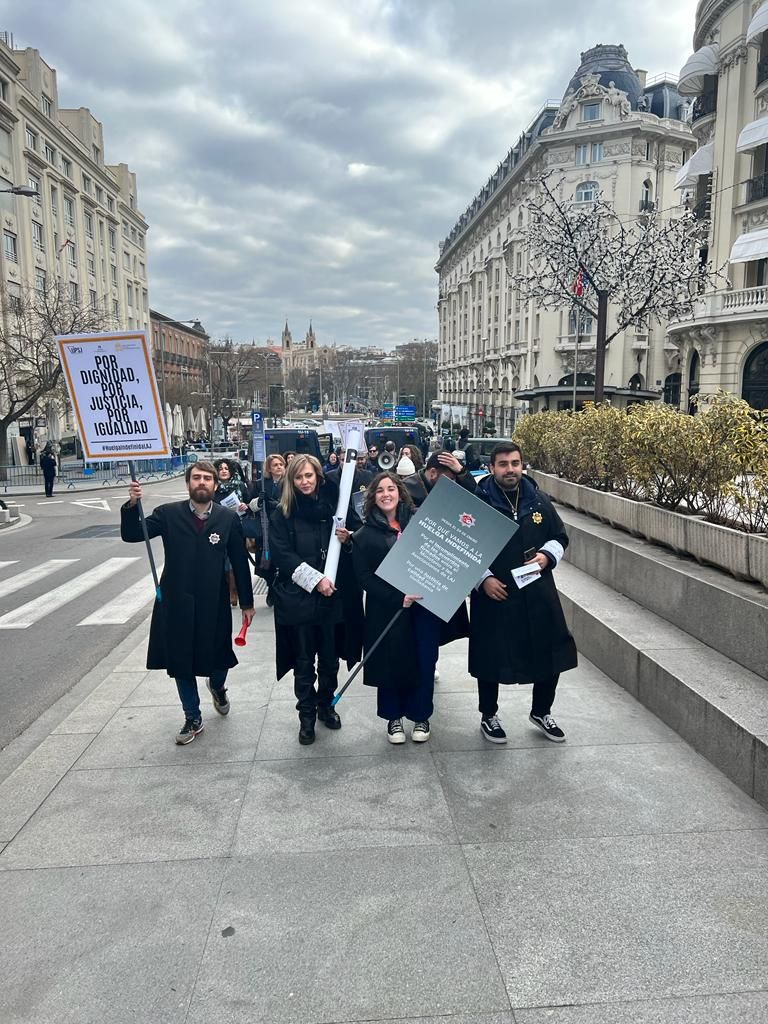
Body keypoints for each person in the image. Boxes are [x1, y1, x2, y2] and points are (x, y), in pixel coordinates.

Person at [120, 462, 255, 745]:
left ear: (215, 485)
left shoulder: (227, 519)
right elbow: (134, 534)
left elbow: (240, 563)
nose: (202, 482)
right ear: (188, 484)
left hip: (213, 600)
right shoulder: (168, 514)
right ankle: (192, 716)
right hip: (176, 599)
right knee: (182, 661)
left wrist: (246, 602)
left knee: (220, 657)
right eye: (196, 478)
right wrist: (132, 505)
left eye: (207, 478)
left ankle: (217, 686)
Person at [469, 442, 577, 744]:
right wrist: (483, 580)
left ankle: (542, 711)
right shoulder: (478, 502)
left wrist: (546, 556)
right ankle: (488, 715)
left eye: (515, 463)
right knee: (490, 656)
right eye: (503, 464)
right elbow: (463, 548)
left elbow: (559, 537)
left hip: (537, 592)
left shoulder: (539, 500)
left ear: (522, 466)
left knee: (550, 651)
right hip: (495, 593)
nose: (510, 470)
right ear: (491, 468)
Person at [352, 472, 468, 743]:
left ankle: (421, 716)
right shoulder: (363, 534)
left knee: (424, 660)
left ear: (400, 492)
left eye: (391, 488)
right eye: (379, 490)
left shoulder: (421, 523)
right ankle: (394, 717)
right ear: (372, 497)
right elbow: (364, 578)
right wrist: (395, 598)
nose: (386, 494)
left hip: (424, 608)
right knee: (391, 662)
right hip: (388, 609)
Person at [269, 455, 360, 744]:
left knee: (330, 660)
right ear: (291, 481)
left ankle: (326, 705)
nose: (305, 482)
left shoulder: (337, 509)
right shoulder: (281, 514)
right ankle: (306, 716)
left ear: (319, 476)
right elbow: (283, 556)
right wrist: (315, 580)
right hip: (299, 599)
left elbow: (355, 548)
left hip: (333, 597)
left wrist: (349, 540)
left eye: (309, 476)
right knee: (304, 661)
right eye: (299, 477)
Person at [213, 459, 252, 605]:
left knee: (234, 560)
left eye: (226, 468)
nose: (223, 471)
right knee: (222, 561)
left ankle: (233, 591)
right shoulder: (213, 487)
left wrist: (245, 506)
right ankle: (226, 589)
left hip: (237, 527)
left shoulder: (240, 485)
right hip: (218, 528)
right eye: (220, 468)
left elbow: (249, 502)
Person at [401, 450, 477, 507]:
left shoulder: (446, 489)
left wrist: (461, 471)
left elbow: (476, 498)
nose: (451, 484)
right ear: (433, 473)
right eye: (449, 480)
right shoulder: (406, 489)